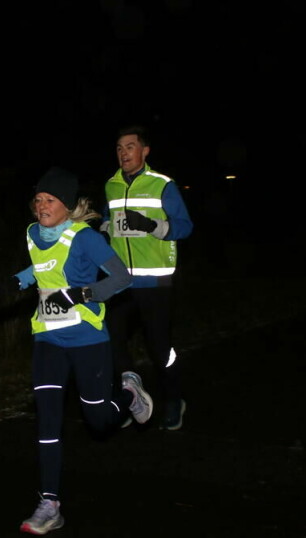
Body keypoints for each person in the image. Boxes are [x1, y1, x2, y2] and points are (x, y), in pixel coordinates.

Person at [11, 166, 153, 536]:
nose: (42, 206)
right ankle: (49, 504)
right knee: (47, 423)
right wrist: (17, 281)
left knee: (98, 420)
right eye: (38, 199)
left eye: (50, 200)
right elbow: (42, 266)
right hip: (47, 339)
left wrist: (83, 294)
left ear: (67, 205)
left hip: (88, 338)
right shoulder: (31, 233)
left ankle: (128, 393)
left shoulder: (86, 238)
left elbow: (122, 278)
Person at [101, 125, 194, 431]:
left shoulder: (162, 185)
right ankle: (131, 401)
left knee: (160, 349)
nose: (123, 153)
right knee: (112, 344)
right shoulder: (111, 186)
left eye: (129, 146)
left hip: (155, 284)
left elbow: (184, 226)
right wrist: (100, 228)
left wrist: (151, 224)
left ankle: (172, 400)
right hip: (119, 283)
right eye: (118, 148)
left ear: (145, 151)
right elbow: (108, 223)